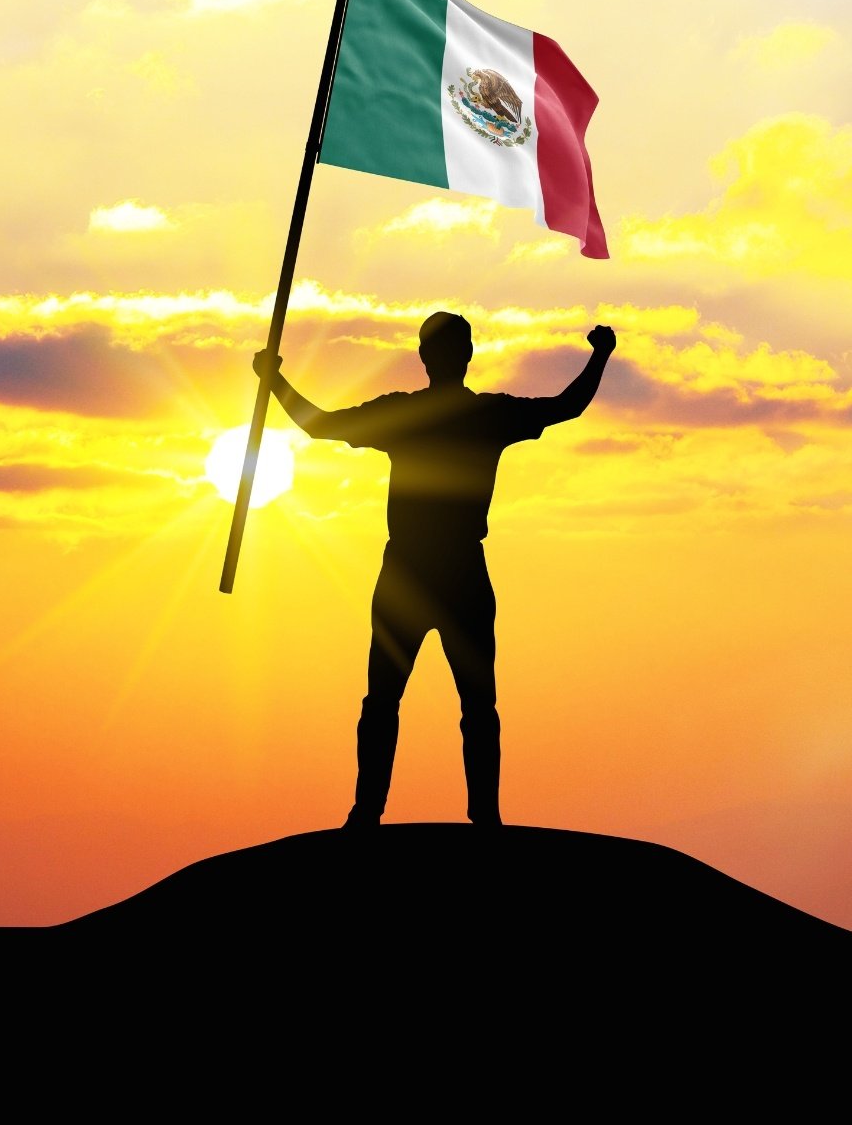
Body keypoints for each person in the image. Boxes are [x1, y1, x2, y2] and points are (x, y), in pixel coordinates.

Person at [253, 313, 616, 828]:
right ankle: (425, 815)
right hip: (436, 570)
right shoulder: (480, 415)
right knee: (443, 702)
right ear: (462, 356)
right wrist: (599, 356)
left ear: (427, 357)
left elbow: (320, 425)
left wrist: (275, 383)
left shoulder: (429, 415)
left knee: (421, 701)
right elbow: (566, 407)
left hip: (425, 569)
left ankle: (390, 813)